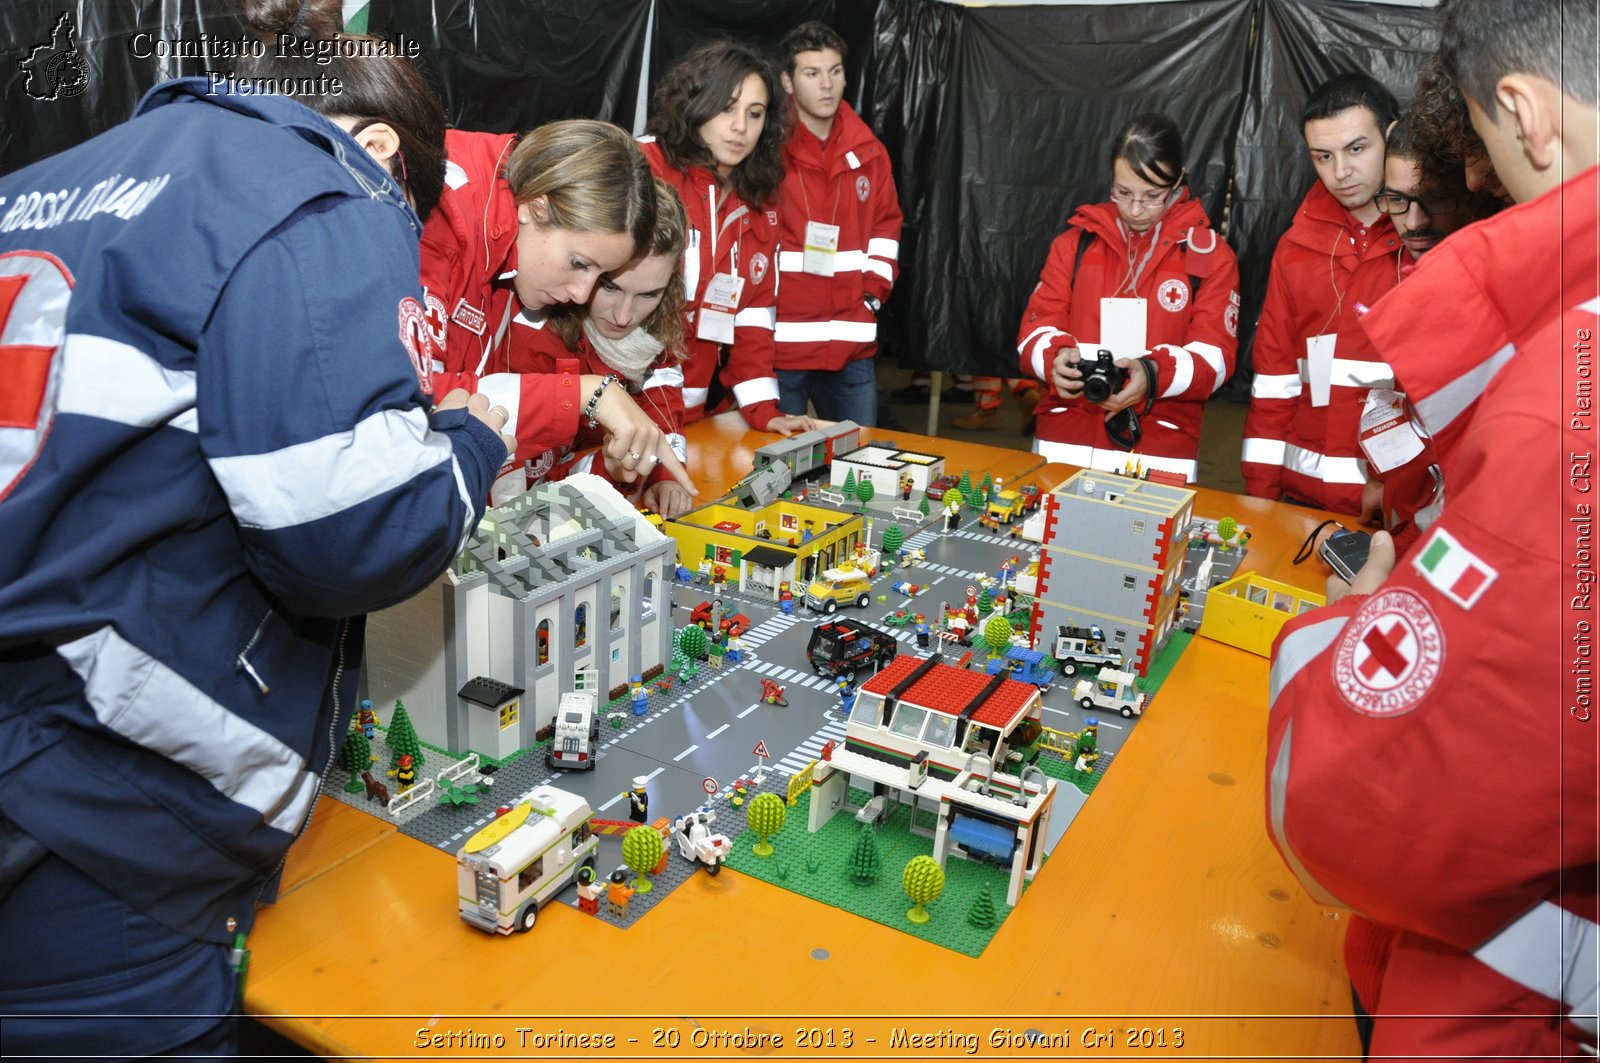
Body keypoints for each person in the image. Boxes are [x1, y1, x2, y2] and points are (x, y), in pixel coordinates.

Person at [0, 1, 512, 1056]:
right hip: (101, 801)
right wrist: (470, 446)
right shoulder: (320, 183)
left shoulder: (45, 182)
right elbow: (347, 535)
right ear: (376, 149)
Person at [1267, 1, 1599, 1057]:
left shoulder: (1564, 407)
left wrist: (1358, 618)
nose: (1486, 189)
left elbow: (1359, 799)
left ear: (1523, 112)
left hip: (1512, 1001)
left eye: (1485, 156)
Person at [419, 118, 694, 502]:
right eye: (580, 263)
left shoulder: (511, 259)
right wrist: (583, 393)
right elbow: (409, 402)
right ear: (536, 207)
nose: (582, 295)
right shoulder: (442, 225)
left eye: (601, 273)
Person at [1016, 113, 1240, 483]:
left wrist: (1153, 375)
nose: (1136, 210)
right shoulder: (1074, 244)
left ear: (1178, 180)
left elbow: (1215, 359)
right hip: (1063, 443)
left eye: (1153, 196)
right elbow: (1034, 329)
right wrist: (1054, 359)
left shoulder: (1210, 257)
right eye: (1123, 193)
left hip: (1157, 448)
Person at [1241, 73, 1403, 514]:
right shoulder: (1295, 248)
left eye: (1356, 148)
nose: (1341, 172)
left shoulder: (1428, 242)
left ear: (1391, 134)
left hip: (1398, 510)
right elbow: (1274, 384)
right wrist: (1259, 501)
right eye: (1323, 156)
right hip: (1300, 503)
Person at [641, 39, 816, 436]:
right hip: (624, 411)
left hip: (693, 415)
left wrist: (764, 410)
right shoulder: (642, 169)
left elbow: (754, 317)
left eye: (754, 114)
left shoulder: (759, 199)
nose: (741, 127)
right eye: (726, 108)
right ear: (695, 105)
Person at [509, 178, 699, 518]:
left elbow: (661, 402)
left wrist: (663, 472)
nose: (625, 316)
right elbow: (526, 504)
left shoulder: (657, 321)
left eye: (648, 295)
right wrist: (605, 468)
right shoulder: (533, 340)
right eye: (610, 288)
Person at [1359, 120, 1500, 554]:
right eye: (1398, 200)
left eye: (1434, 199)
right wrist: (1393, 488)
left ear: (1472, 193)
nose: (1414, 222)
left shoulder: (1490, 293)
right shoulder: (1409, 275)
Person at [772, 21, 903, 427]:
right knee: (772, 471)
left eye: (835, 71)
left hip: (851, 344)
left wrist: (872, 297)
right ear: (788, 83)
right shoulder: (767, 149)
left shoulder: (869, 151)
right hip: (781, 347)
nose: (826, 84)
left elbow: (887, 230)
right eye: (812, 73)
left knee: (859, 469)